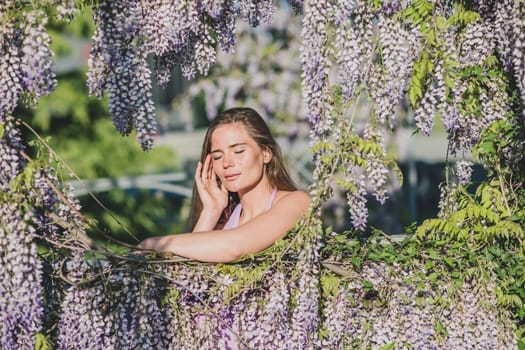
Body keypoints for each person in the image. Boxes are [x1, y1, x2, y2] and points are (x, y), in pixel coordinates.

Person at [138, 107, 311, 262]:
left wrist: (153, 243)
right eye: (218, 156)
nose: (227, 163)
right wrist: (211, 210)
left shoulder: (297, 202)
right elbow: (189, 269)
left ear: (266, 154)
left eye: (238, 151)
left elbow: (236, 247)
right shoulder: (224, 222)